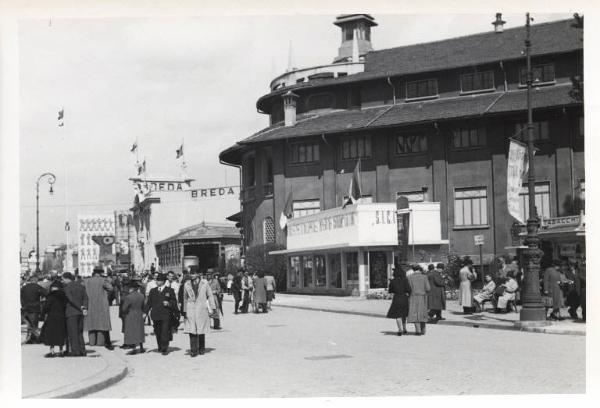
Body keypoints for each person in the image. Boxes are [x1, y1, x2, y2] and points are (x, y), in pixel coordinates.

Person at [182, 269, 217, 357]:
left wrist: (212, 307)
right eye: (191, 273)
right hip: (191, 310)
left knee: (201, 329)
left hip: (201, 309)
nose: (192, 275)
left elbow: (210, 295)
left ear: (198, 274)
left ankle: (201, 348)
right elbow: (185, 298)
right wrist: (185, 310)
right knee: (192, 330)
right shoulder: (187, 284)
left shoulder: (205, 283)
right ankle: (193, 350)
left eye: (193, 273)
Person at [144, 273, 177, 355]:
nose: (157, 282)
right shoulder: (153, 291)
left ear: (163, 281)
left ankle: (165, 348)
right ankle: (160, 346)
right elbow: (149, 303)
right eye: (157, 280)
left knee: (165, 331)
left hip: (166, 314)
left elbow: (174, 302)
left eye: (159, 280)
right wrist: (145, 313)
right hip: (156, 314)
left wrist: (169, 303)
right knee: (158, 331)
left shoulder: (170, 290)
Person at [84, 267, 114, 350]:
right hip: (101, 304)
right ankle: (100, 342)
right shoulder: (103, 280)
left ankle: (92, 342)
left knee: (91, 323)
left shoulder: (87, 281)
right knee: (101, 324)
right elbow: (111, 288)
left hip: (90, 304)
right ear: (100, 273)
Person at [62, 272, 88, 357]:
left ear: (67, 279)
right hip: (81, 313)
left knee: (72, 332)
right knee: (79, 332)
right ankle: (82, 350)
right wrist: (84, 308)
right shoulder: (81, 286)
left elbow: (71, 299)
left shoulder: (67, 287)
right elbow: (86, 298)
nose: (62, 281)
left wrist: (80, 307)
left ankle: (75, 351)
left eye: (63, 279)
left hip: (71, 312)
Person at [40, 281, 68, 357]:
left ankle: (52, 351)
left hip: (52, 317)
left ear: (52, 288)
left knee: (51, 334)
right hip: (61, 317)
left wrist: (43, 314)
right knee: (61, 333)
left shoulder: (50, 296)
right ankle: (61, 351)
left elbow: (46, 307)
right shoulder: (64, 296)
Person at [120, 280, 146, 354]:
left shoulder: (129, 297)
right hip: (139, 314)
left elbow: (124, 308)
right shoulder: (141, 296)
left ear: (131, 288)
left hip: (130, 315)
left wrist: (124, 312)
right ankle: (141, 347)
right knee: (139, 331)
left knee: (131, 331)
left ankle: (134, 348)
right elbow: (144, 306)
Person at [20, 275, 47, 343]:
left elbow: (20, 297)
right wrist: (41, 301)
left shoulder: (24, 287)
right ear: (35, 281)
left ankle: (29, 338)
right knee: (34, 325)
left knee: (29, 324)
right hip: (34, 308)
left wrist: (23, 305)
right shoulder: (37, 287)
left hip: (25, 308)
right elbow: (46, 294)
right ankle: (34, 339)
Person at [386, 266, 411, 336]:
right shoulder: (405, 280)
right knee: (404, 314)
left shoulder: (393, 281)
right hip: (404, 298)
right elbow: (409, 290)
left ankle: (400, 329)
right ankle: (404, 328)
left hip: (396, 298)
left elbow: (390, 290)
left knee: (398, 314)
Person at [407, 265, 430, 335]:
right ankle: (423, 329)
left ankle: (418, 330)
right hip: (422, 297)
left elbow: (408, 288)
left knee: (414, 313)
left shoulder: (409, 277)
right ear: (420, 269)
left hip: (413, 296)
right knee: (422, 313)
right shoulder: (424, 277)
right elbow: (428, 288)